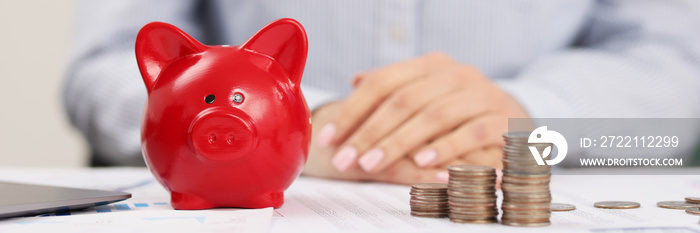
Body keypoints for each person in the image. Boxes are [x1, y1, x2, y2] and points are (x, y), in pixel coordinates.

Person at [63, 0, 700, 184]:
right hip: (288, 179)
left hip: (534, 158)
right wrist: (303, 123)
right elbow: (112, 61)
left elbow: (677, 60)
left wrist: (526, 116)